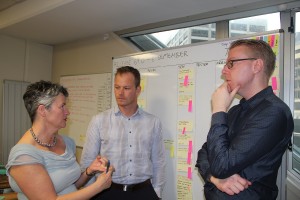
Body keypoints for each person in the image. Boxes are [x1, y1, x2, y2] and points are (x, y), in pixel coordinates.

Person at [195, 39, 294, 199]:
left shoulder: (273, 112)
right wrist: (215, 179)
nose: (224, 71)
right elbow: (203, 154)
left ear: (257, 66)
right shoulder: (235, 111)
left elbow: (222, 165)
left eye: (231, 63)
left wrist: (219, 109)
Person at [6, 80, 114, 200]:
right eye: (62, 106)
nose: (67, 112)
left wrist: (89, 171)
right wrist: (99, 186)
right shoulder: (24, 155)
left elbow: (71, 184)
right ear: (42, 110)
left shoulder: (67, 143)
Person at [80, 66, 166, 200]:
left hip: (143, 192)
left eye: (126, 88)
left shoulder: (153, 122)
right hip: (107, 191)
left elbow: (158, 161)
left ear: (138, 90)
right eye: (117, 87)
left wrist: (157, 192)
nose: (120, 93)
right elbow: (88, 160)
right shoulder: (99, 120)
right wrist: (90, 193)